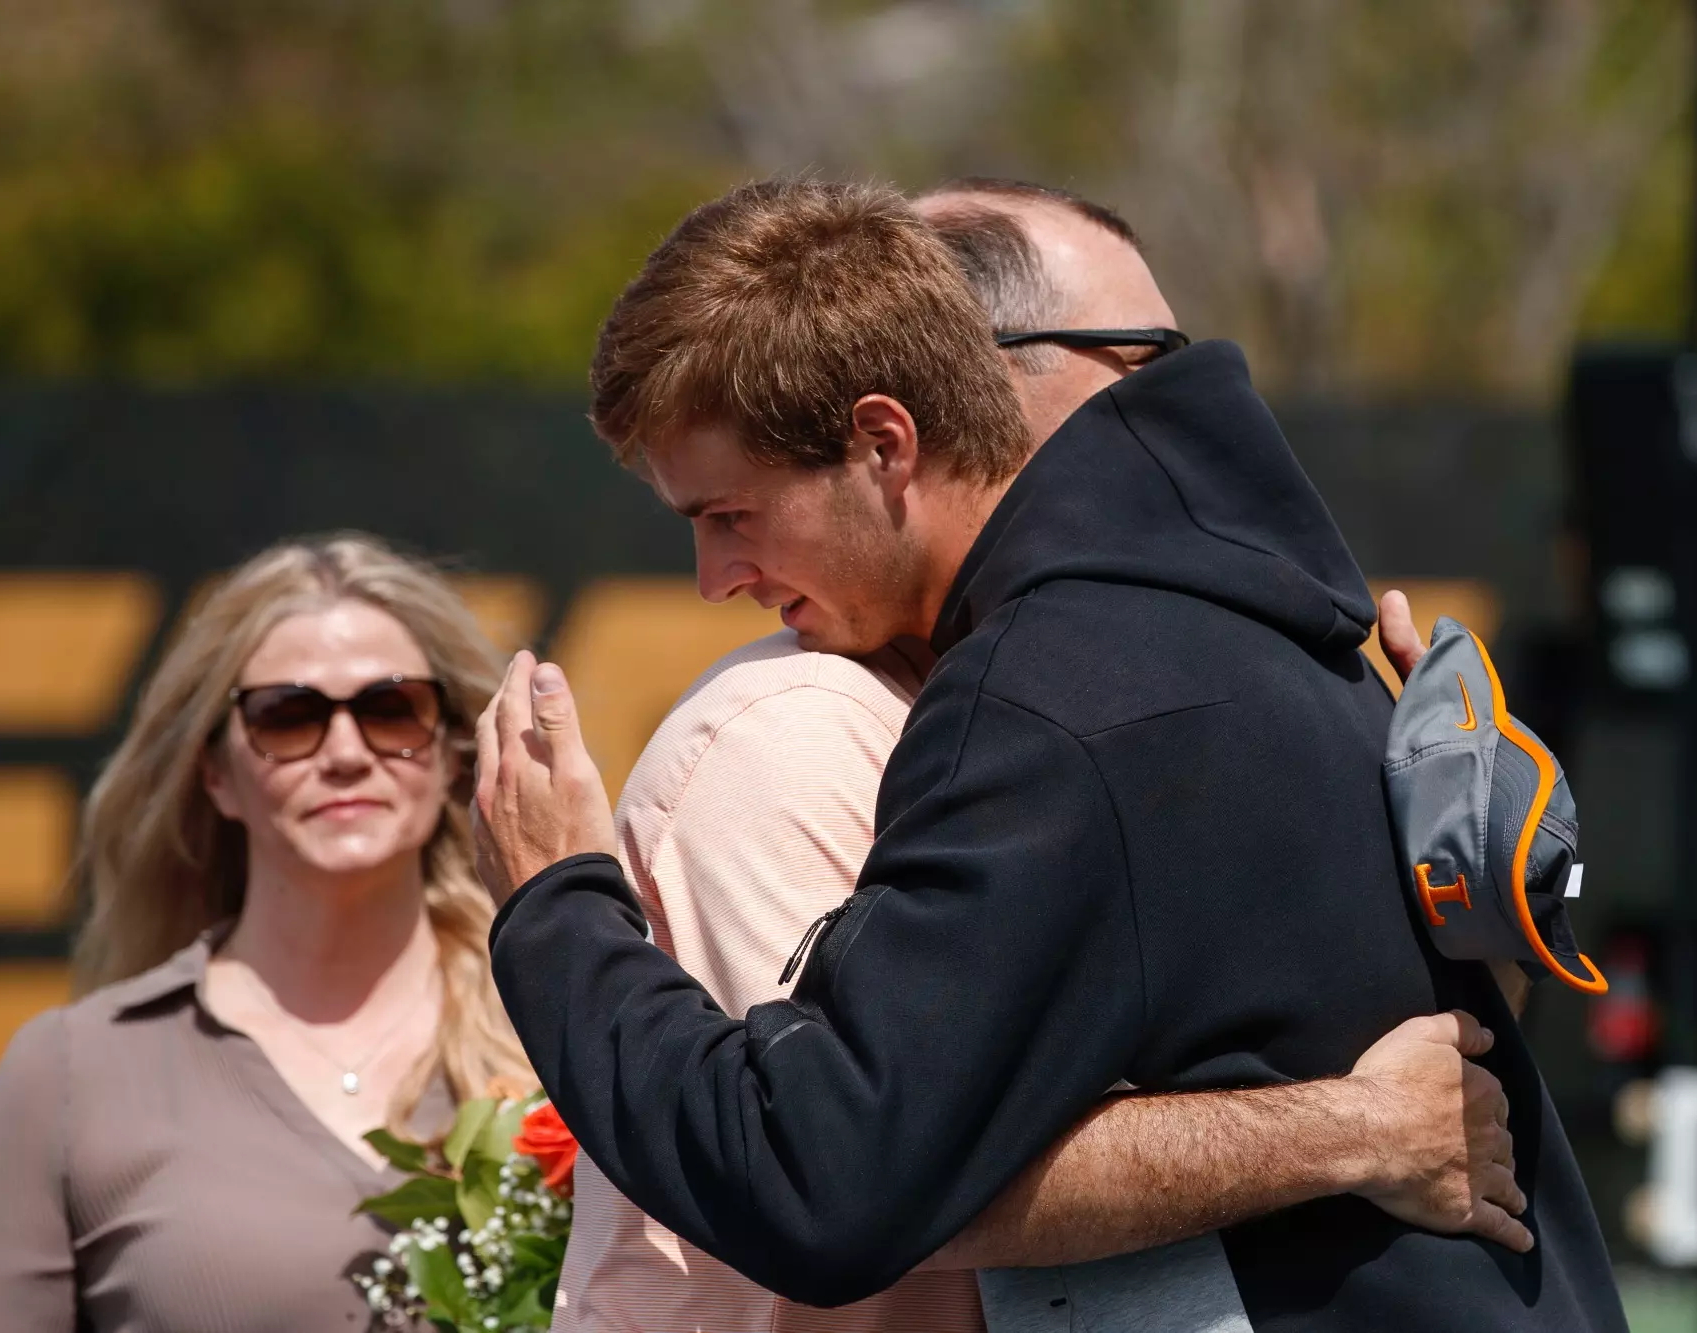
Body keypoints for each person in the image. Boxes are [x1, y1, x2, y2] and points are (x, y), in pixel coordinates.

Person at [475, 179, 1627, 1331]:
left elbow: (825, 1183)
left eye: (728, 514)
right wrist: (1352, 1129)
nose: (714, 578)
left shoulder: (1050, 695)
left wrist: (554, 903)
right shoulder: (1257, 619)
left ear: (884, 443)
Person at [0, 534, 538, 1333]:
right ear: (215, 772)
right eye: (288, 717)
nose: (348, 753)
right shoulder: (73, 1073)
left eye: (392, 709)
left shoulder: (554, 1033)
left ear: (452, 752)